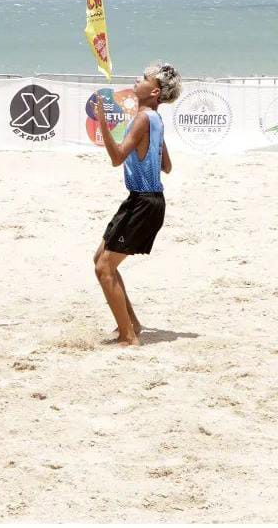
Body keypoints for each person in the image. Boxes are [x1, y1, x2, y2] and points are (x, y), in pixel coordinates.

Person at [90, 62, 182, 347]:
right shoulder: (155, 119)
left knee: (104, 268)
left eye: (144, 78)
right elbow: (167, 166)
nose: (137, 80)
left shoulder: (144, 118)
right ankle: (132, 325)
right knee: (100, 259)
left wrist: (102, 121)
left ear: (154, 91)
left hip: (144, 202)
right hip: (143, 200)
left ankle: (128, 338)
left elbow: (117, 158)